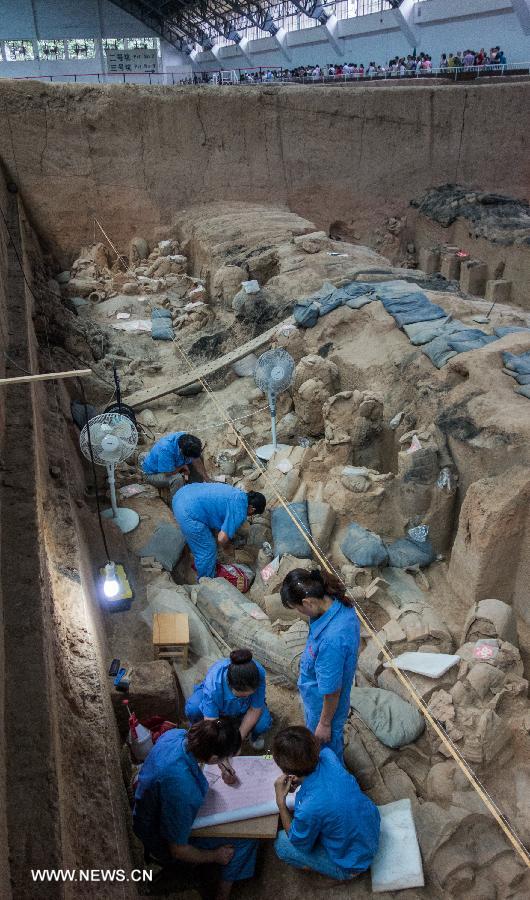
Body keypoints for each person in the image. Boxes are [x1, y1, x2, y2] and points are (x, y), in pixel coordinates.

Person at [133, 718, 258, 899]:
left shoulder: (175, 736)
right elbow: (177, 848)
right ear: (213, 757)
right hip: (157, 837)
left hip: (147, 809)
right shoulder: (183, 788)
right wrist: (215, 856)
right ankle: (221, 895)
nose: (226, 761)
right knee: (247, 838)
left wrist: (222, 764)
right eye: (225, 757)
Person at [272, 726, 380, 881]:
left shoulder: (308, 808)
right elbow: (326, 787)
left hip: (353, 865)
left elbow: (300, 844)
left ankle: (339, 874)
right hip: (372, 832)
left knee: (281, 844)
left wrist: (280, 802)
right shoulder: (328, 756)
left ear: (289, 774)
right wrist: (302, 782)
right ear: (315, 747)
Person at [280, 569, 359, 761]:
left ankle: (333, 777)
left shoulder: (331, 641)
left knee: (326, 748)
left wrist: (324, 723)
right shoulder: (334, 601)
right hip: (317, 689)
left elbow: (332, 691)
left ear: (308, 602)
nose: (299, 613)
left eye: (298, 608)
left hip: (322, 704)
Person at [173, 482, 266, 579]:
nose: (249, 516)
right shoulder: (240, 510)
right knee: (208, 549)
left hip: (182, 493)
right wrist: (227, 548)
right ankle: (206, 580)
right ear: (251, 509)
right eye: (252, 514)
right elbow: (222, 539)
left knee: (212, 531)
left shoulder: (238, 494)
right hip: (186, 512)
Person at [186, 648, 272, 750]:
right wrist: (220, 749)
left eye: (251, 694)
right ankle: (200, 733)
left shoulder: (258, 673)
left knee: (263, 723)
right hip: (220, 704)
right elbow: (212, 722)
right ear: (230, 685)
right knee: (193, 709)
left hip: (244, 708)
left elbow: (255, 709)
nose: (247, 697)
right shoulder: (213, 686)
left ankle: (253, 735)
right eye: (243, 695)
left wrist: (238, 740)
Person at [140, 431, 209, 497]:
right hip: (153, 474)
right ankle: (177, 504)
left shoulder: (185, 439)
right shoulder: (165, 449)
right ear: (181, 451)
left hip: (173, 464)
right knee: (177, 479)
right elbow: (168, 473)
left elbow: (196, 459)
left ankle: (196, 490)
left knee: (197, 457)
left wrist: (207, 478)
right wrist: (182, 466)